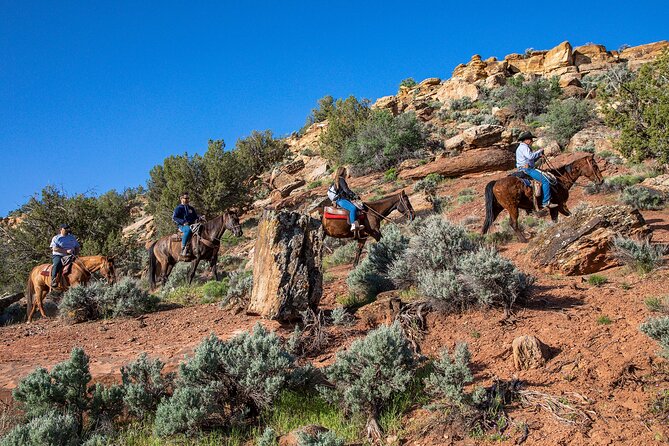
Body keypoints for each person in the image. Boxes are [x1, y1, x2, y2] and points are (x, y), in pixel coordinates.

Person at [515, 131, 557, 209]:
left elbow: (530, 160)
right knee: (545, 181)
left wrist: (538, 157)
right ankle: (546, 202)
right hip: (527, 169)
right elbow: (530, 156)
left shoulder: (522, 147)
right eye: (531, 139)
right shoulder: (524, 147)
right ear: (526, 140)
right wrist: (539, 151)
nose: (532, 141)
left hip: (525, 167)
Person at [328, 167, 363, 231]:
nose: (346, 173)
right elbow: (346, 190)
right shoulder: (341, 179)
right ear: (342, 172)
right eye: (345, 172)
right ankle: (353, 225)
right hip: (340, 200)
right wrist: (354, 196)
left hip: (339, 199)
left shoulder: (336, 180)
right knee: (353, 208)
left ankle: (357, 223)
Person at [50, 224, 80, 290]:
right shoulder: (56, 238)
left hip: (71, 255)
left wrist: (76, 254)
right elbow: (55, 249)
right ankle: (53, 280)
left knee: (80, 265)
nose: (67, 230)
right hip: (59, 255)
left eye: (68, 228)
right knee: (57, 264)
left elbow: (77, 247)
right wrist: (66, 251)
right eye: (65, 228)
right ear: (61, 229)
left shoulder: (72, 238)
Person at [172, 192, 199, 256]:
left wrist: (200, 217)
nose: (187, 200)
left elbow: (195, 216)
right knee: (188, 230)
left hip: (192, 224)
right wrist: (183, 222)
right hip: (182, 225)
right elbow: (174, 217)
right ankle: (183, 248)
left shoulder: (191, 208)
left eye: (188, 198)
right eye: (186, 198)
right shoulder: (179, 208)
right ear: (181, 199)